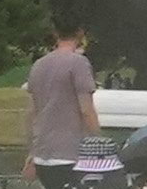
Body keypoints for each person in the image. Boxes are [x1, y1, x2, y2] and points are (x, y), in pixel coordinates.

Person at [23, 20, 100, 174]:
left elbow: (33, 113)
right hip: (70, 154)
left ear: (55, 34)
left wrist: (32, 151)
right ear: (80, 33)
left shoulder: (38, 64)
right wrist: (100, 141)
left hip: (41, 155)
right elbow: (86, 111)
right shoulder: (79, 63)